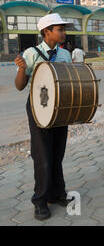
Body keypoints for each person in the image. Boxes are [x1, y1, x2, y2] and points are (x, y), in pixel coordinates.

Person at [14, 13, 73, 221]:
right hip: (39, 109)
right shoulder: (31, 53)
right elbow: (20, 86)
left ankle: (57, 194)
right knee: (42, 156)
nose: (64, 33)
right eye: (60, 29)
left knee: (58, 153)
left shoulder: (65, 55)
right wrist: (22, 69)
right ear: (47, 32)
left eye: (64, 29)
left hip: (60, 110)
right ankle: (40, 200)